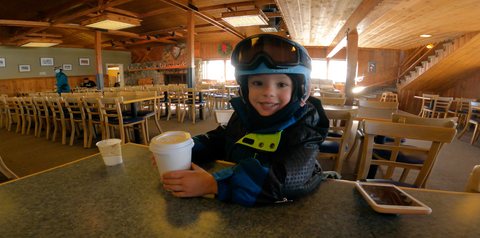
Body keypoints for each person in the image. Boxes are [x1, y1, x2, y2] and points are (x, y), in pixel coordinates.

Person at [159, 34, 329, 207]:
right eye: (257, 83)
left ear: (301, 90)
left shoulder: (305, 130)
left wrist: (213, 184)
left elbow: (284, 179)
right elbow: (221, 140)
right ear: (244, 88)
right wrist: (184, 149)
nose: (268, 92)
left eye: (281, 84)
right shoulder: (245, 115)